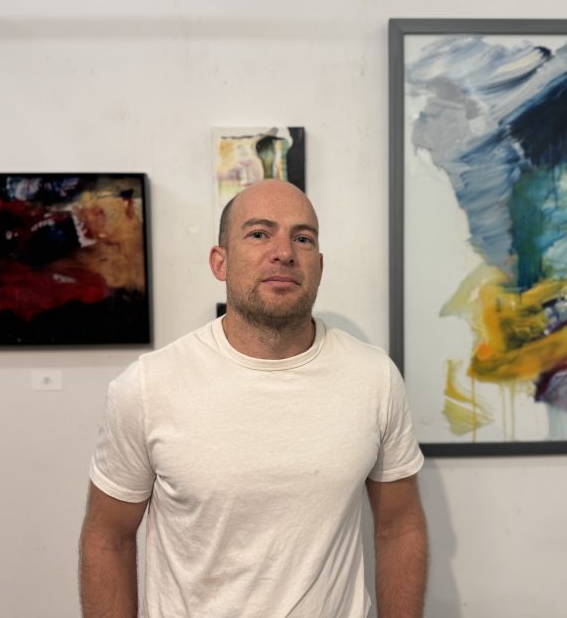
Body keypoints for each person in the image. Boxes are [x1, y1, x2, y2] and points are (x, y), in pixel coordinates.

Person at [79, 179, 427, 617]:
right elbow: (107, 538)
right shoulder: (149, 386)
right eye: (259, 233)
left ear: (318, 264)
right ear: (219, 262)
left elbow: (399, 527)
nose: (284, 251)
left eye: (302, 238)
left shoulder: (374, 377)